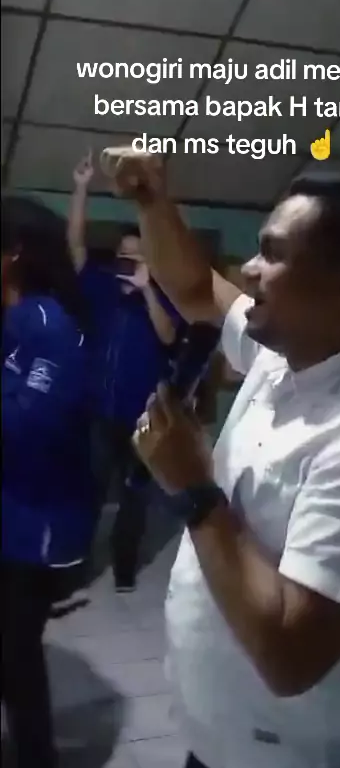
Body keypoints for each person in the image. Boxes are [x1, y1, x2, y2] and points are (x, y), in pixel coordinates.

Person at [106, 152, 340, 768]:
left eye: (273, 253)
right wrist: (151, 200)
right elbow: (193, 287)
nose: (249, 269)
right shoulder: (281, 356)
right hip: (220, 746)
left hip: (300, 764)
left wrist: (195, 491)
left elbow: (291, 656)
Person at [2, 195, 97, 768]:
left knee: (17, 657)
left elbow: (30, 428)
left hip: (33, 526)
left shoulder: (51, 326)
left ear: (13, 254)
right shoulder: (14, 318)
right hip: (9, 510)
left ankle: (38, 765)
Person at [68, 152, 183, 591]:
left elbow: (168, 336)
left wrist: (148, 289)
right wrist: (81, 189)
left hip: (143, 416)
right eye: (123, 257)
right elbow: (75, 246)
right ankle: (77, 565)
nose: (128, 264)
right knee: (90, 493)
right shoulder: (99, 286)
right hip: (99, 412)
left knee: (135, 496)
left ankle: (124, 569)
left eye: (137, 258)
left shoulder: (162, 293)